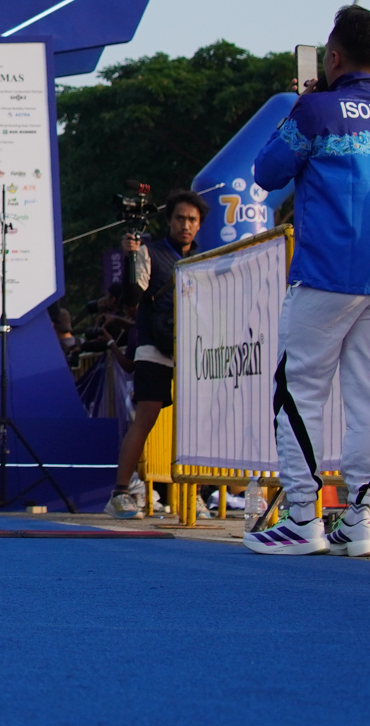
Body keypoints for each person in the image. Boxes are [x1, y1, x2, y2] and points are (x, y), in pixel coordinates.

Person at [245, 5, 370, 558]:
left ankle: (303, 517)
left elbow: (266, 173)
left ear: (334, 58)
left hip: (324, 274)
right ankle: (362, 519)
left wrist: (301, 105)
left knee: (301, 391)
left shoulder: (316, 110)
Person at [104, 190, 207, 518]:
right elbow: (132, 297)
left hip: (193, 351)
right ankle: (120, 493)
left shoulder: (206, 259)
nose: (185, 225)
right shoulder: (150, 252)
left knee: (197, 421)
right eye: (180, 218)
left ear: (199, 224)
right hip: (154, 347)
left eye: (192, 219)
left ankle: (194, 495)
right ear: (169, 221)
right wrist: (130, 258)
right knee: (146, 418)